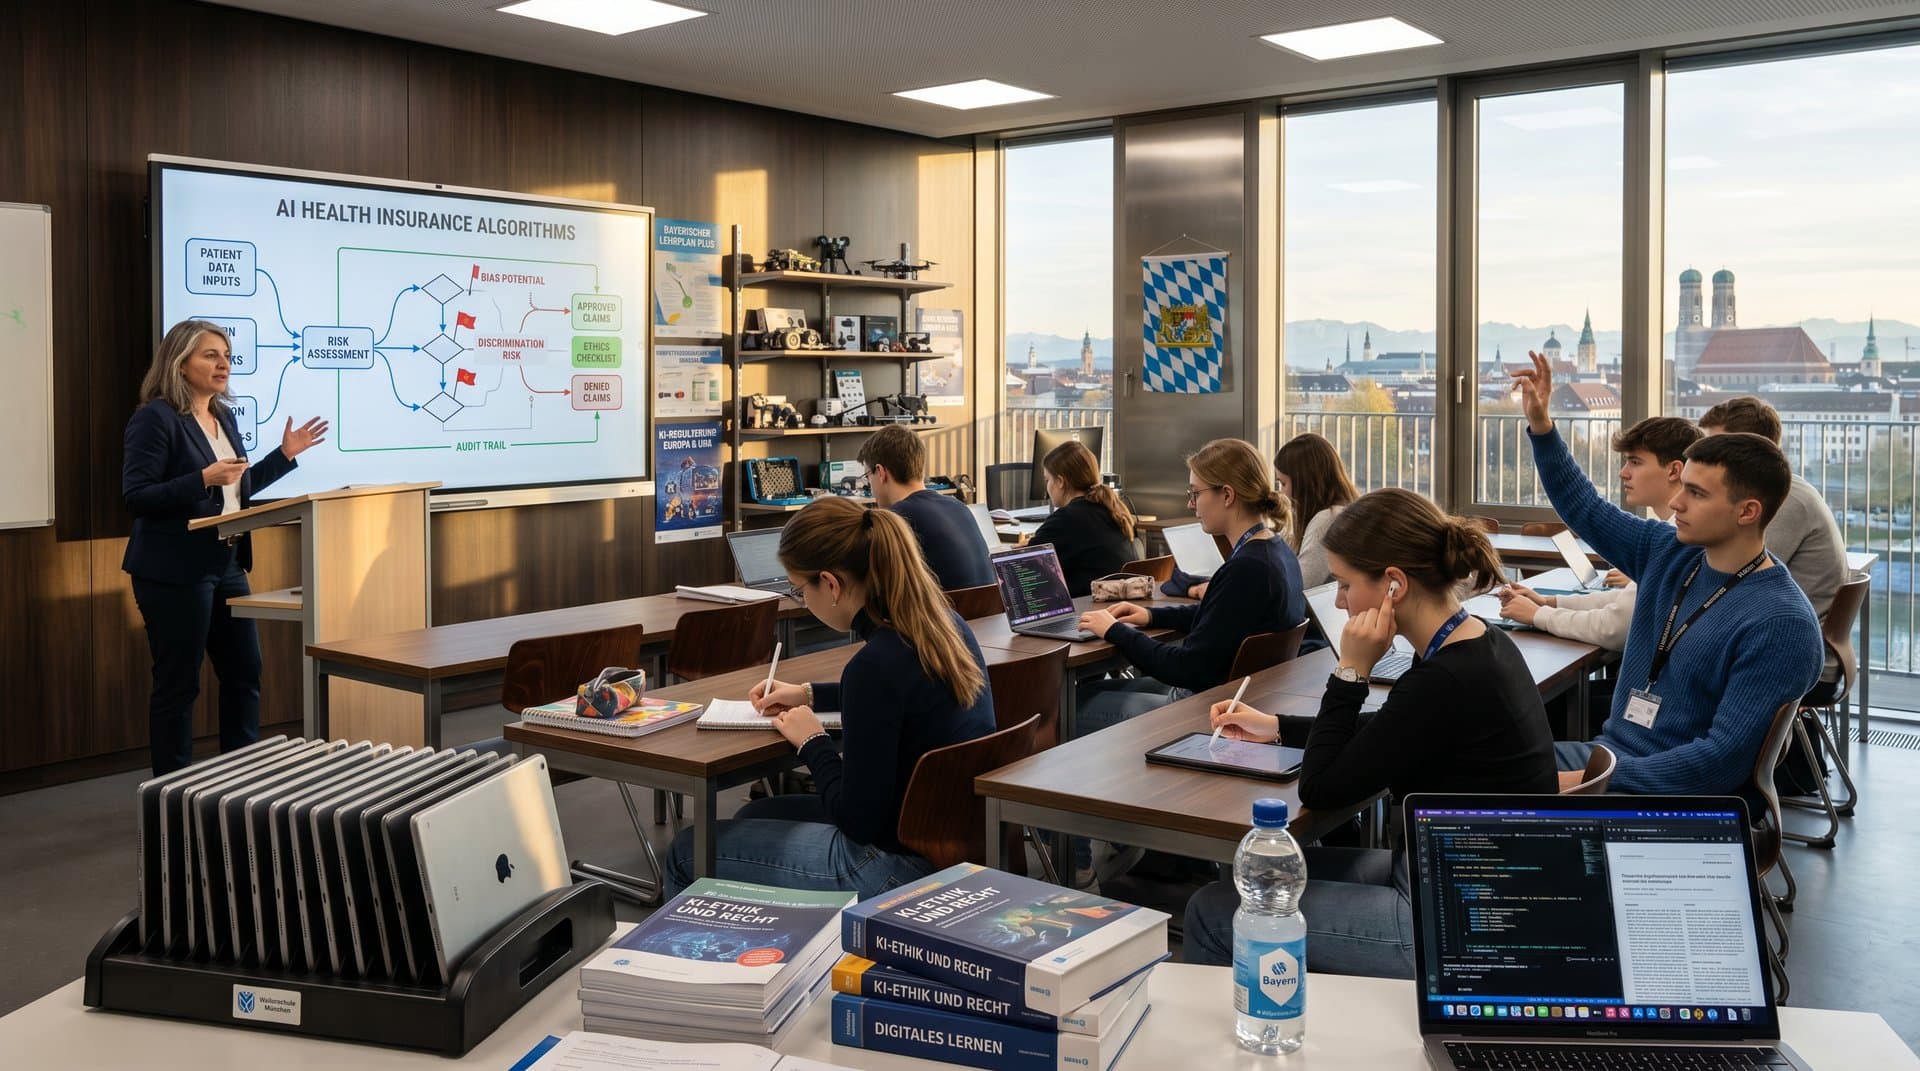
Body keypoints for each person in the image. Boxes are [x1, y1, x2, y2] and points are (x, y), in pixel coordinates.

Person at [1182, 487, 1557, 976]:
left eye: (1343, 584)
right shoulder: (1482, 645)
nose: (1338, 601)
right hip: (1473, 885)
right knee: (1251, 877)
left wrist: (1352, 670)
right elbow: (1392, 730)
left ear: (1394, 584)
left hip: (1454, 920)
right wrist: (1276, 726)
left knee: (1214, 912)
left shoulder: (1442, 679)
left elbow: (1322, 785)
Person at [1514, 353, 1822, 795]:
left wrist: (1590, 782)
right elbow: (1585, 508)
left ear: (1747, 511)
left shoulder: (1781, 623)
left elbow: (1720, 763)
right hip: (1613, 760)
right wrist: (1542, 429)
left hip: (1678, 801)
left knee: (1481, 798)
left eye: (1695, 493)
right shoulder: (1670, 551)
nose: (1676, 504)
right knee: (1465, 763)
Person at [663, 495, 996, 896]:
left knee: (686, 851)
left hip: (893, 865)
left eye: (799, 589)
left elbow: (856, 821)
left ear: (832, 584)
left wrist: (812, 741)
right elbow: (900, 697)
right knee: (756, 813)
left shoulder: (873, 667)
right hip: (954, 842)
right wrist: (809, 694)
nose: (801, 600)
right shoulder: (945, 627)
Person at [122, 319, 328, 775]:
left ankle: (239, 779)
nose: (223, 364)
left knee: (245, 672)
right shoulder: (155, 418)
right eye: (210, 355)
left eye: (227, 356)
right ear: (180, 362)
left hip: (228, 562)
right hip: (174, 570)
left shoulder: (223, 417)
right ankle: (171, 791)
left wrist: (285, 456)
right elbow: (136, 496)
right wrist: (200, 478)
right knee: (179, 685)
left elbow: (236, 489)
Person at [1076, 438, 1305, 727]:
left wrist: (1115, 631)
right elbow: (1222, 617)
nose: (1190, 503)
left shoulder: (1246, 568)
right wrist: (1152, 615)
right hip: (1240, 696)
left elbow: (1185, 668)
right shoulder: (1276, 551)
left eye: (1195, 493)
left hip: (1202, 705)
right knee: (1090, 692)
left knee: (1076, 702)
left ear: (1227, 495)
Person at [1496, 416, 1701, 650]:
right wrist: (1550, 602)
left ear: (1674, 470)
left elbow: (1614, 628)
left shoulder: (1677, 538)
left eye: (1635, 462)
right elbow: (1628, 602)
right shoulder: (1676, 533)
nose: (1624, 472)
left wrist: (1538, 615)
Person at [1698, 395, 1849, 701]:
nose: (1707, 457)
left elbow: (1730, 577)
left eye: (1717, 448)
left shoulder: (1782, 502)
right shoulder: (1789, 489)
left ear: (1749, 449)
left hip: (1794, 663)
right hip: (1796, 651)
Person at [858, 424, 994, 591]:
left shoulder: (897, 519)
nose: (870, 486)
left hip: (942, 616)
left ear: (880, 472)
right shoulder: (958, 507)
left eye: (868, 477)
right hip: (988, 615)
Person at [1029, 439, 1137, 596]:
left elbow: (1023, 567)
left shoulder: (1065, 519)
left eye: (1048, 480)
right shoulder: (1113, 509)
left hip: (1085, 610)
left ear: (1060, 481)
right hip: (1120, 608)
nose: (1047, 487)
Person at [1272, 432, 1358, 589]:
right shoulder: (1337, 512)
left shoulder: (1328, 519)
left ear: (1304, 483)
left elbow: (1300, 584)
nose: (1282, 493)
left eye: (1283, 484)